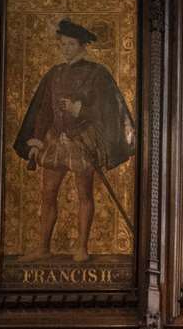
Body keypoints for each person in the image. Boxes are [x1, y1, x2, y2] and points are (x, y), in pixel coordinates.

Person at [11, 19, 136, 263]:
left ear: (82, 46)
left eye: (70, 44)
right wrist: (36, 139)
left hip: (83, 140)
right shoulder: (54, 74)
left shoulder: (96, 73)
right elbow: (43, 109)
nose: (65, 48)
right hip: (56, 139)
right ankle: (43, 247)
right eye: (63, 44)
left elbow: (108, 109)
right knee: (48, 192)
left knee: (83, 194)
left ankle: (81, 247)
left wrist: (81, 109)